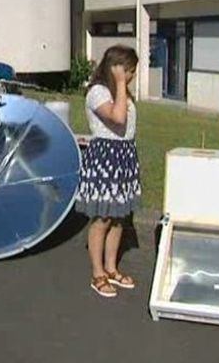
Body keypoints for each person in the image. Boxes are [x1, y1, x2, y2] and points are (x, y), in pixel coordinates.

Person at [75, 45, 141, 298]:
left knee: (119, 216)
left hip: (124, 156)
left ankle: (112, 268)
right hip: (105, 157)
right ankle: (97, 273)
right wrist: (121, 83)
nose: (131, 76)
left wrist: (122, 85)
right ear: (116, 68)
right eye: (129, 70)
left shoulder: (120, 91)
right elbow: (117, 118)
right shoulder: (97, 92)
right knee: (102, 217)